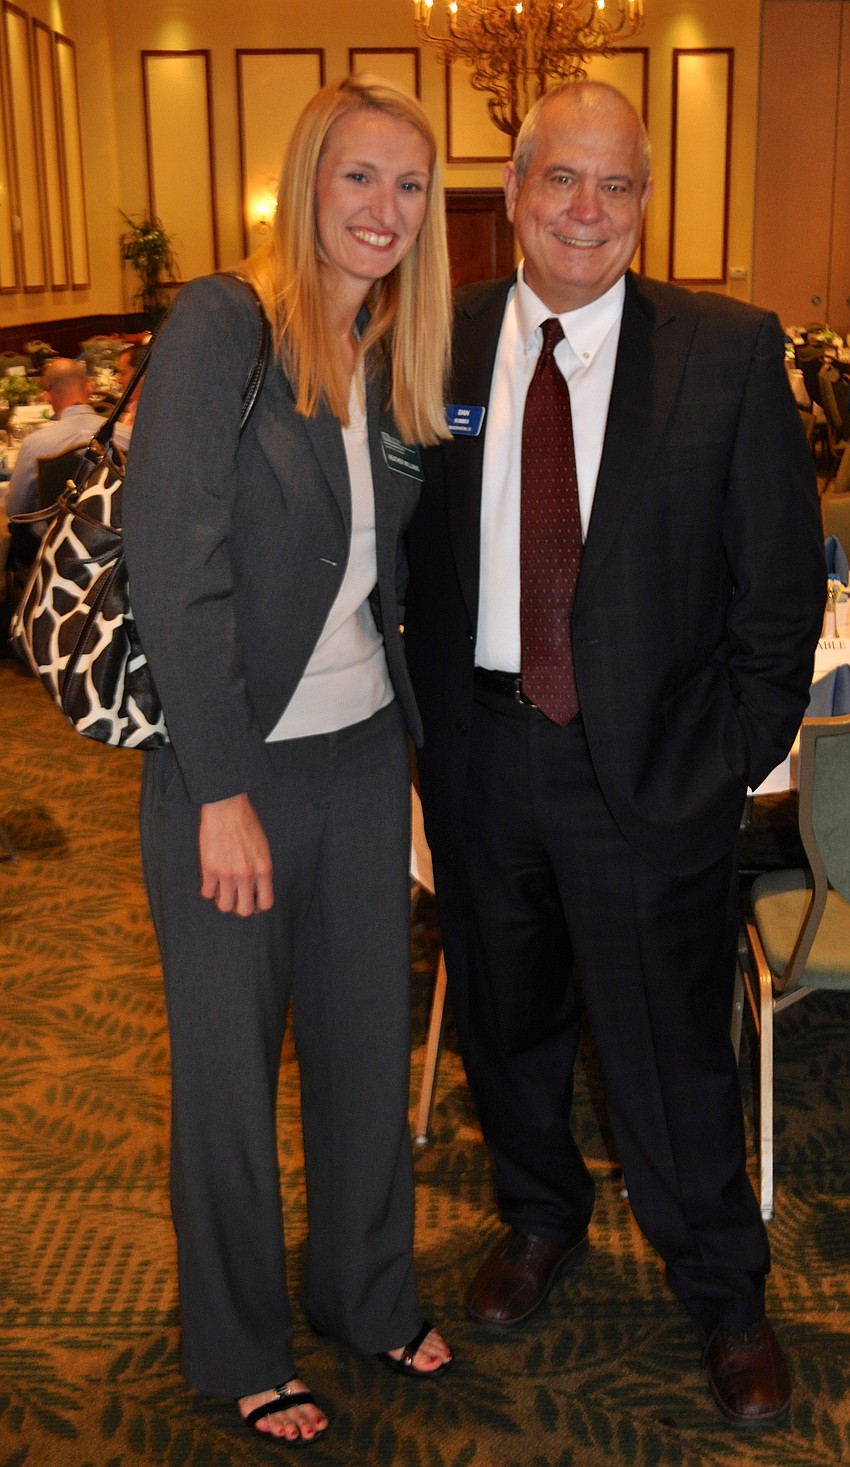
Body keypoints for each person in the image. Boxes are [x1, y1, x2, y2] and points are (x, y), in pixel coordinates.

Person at [404, 81, 825, 1431]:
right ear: (515, 188)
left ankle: (723, 1288)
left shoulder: (725, 350)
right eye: (561, 179)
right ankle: (539, 1216)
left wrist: (725, 757)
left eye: (617, 184)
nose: (587, 209)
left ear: (645, 201)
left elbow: (777, 591)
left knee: (669, 1049)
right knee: (504, 1019)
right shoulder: (432, 339)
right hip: (478, 758)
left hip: (648, 769)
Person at [123, 75, 453, 1447]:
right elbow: (170, 563)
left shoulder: (390, 353)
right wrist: (219, 791)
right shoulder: (225, 323)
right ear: (307, 180)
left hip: (365, 760)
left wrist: (417, 771)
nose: (385, 208)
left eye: (410, 185)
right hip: (234, 767)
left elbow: (383, 584)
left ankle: (366, 1293)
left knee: (367, 1048)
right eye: (359, 176)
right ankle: (243, 1342)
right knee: (227, 1072)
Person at [5, 358, 103, 523]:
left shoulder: (33, 445)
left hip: (53, 535)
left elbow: (15, 510)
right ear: (90, 388)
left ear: (49, 396)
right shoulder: (127, 435)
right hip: (115, 534)